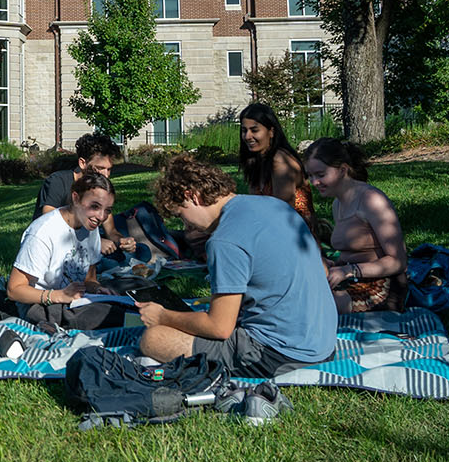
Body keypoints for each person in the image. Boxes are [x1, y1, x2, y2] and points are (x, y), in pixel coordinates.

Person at [136, 155, 336, 378]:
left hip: (280, 354)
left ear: (191, 196)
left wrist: (163, 316)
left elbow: (219, 327)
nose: (186, 225)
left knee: (152, 338)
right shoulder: (275, 205)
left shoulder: (224, 240)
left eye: (181, 215)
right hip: (322, 342)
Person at [303, 138, 409, 313]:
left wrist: (349, 270)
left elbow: (398, 261)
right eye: (310, 175)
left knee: (312, 306)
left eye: (320, 175)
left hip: (383, 285)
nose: (314, 182)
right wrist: (334, 264)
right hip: (352, 279)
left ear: (343, 170)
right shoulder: (337, 204)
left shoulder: (372, 200)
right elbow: (353, 252)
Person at [8, 172, 126, 329]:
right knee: (113, 318)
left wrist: (97, 288)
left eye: (107, 210)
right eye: (95, 206)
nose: (101, 216)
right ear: (76, 198)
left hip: (73, 301)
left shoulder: (90, 227)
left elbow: (89, 279)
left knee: (123, 305)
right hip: (39, 304)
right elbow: (14, 290)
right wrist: (57, 296)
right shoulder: (43, 232)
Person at [33, 133, 151, 271]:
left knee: (143, 251)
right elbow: (50, 223)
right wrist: (95, 243)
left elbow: (111, 230)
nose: (106, 175)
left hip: (88, 241)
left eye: (109, 169)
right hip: (58, 246)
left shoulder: (100, 187)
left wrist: (122, 241)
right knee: (110, 263)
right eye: (100, 168)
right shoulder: (58, 181)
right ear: (83, 163)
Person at [238, 103, 315, 232]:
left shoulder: (280, 161)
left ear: (271, 132)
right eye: (244, 130)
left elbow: (282, 212)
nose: (247, 136)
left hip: (295, 236)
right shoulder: (256, 161)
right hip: (269, 229)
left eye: (254, 130)